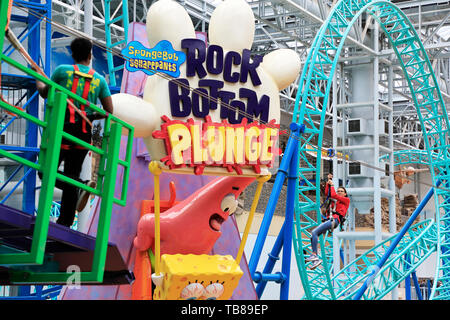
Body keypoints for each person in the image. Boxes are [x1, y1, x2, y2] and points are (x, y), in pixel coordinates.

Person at [34, 37, 113, 227]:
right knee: (71, 171)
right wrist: (90, 116)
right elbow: (109, 110)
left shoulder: (62, 71)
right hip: (83, 133)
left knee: (45, 171)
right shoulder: (100, 80)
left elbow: (45, 93)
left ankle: (80, 184)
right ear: (89, 55)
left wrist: (38, 77)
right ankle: (66, 221)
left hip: (62, 130)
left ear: (72, 54)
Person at [306, 173, 350, 270]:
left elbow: (333, 194)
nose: (339, 192)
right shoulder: (337, 201)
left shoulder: (346, 200)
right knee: (313, 235)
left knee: (314, 232)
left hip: (334, 220)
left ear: (345, 193)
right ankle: (315, 259)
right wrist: (328, 182)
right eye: (338, 191)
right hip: (331, 220)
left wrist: (333, 185)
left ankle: (315, 256)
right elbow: (328, 194)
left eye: (341, 191)